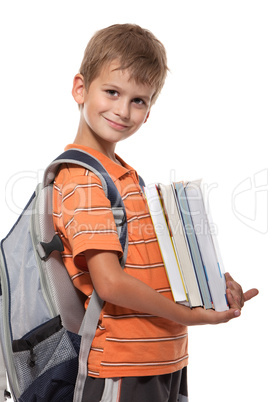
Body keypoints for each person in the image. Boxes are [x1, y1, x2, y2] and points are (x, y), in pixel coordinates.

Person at [52, 24, 258, 402]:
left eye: (139, 100)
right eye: (112, 92)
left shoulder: (125, 176)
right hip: (122, 366)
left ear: (149, 112)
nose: (123, 110)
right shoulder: (82, 179)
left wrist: (214, 286)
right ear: (80, 88)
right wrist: (191, 317)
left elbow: (153, 267)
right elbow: (110, 283)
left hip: (164, 358)